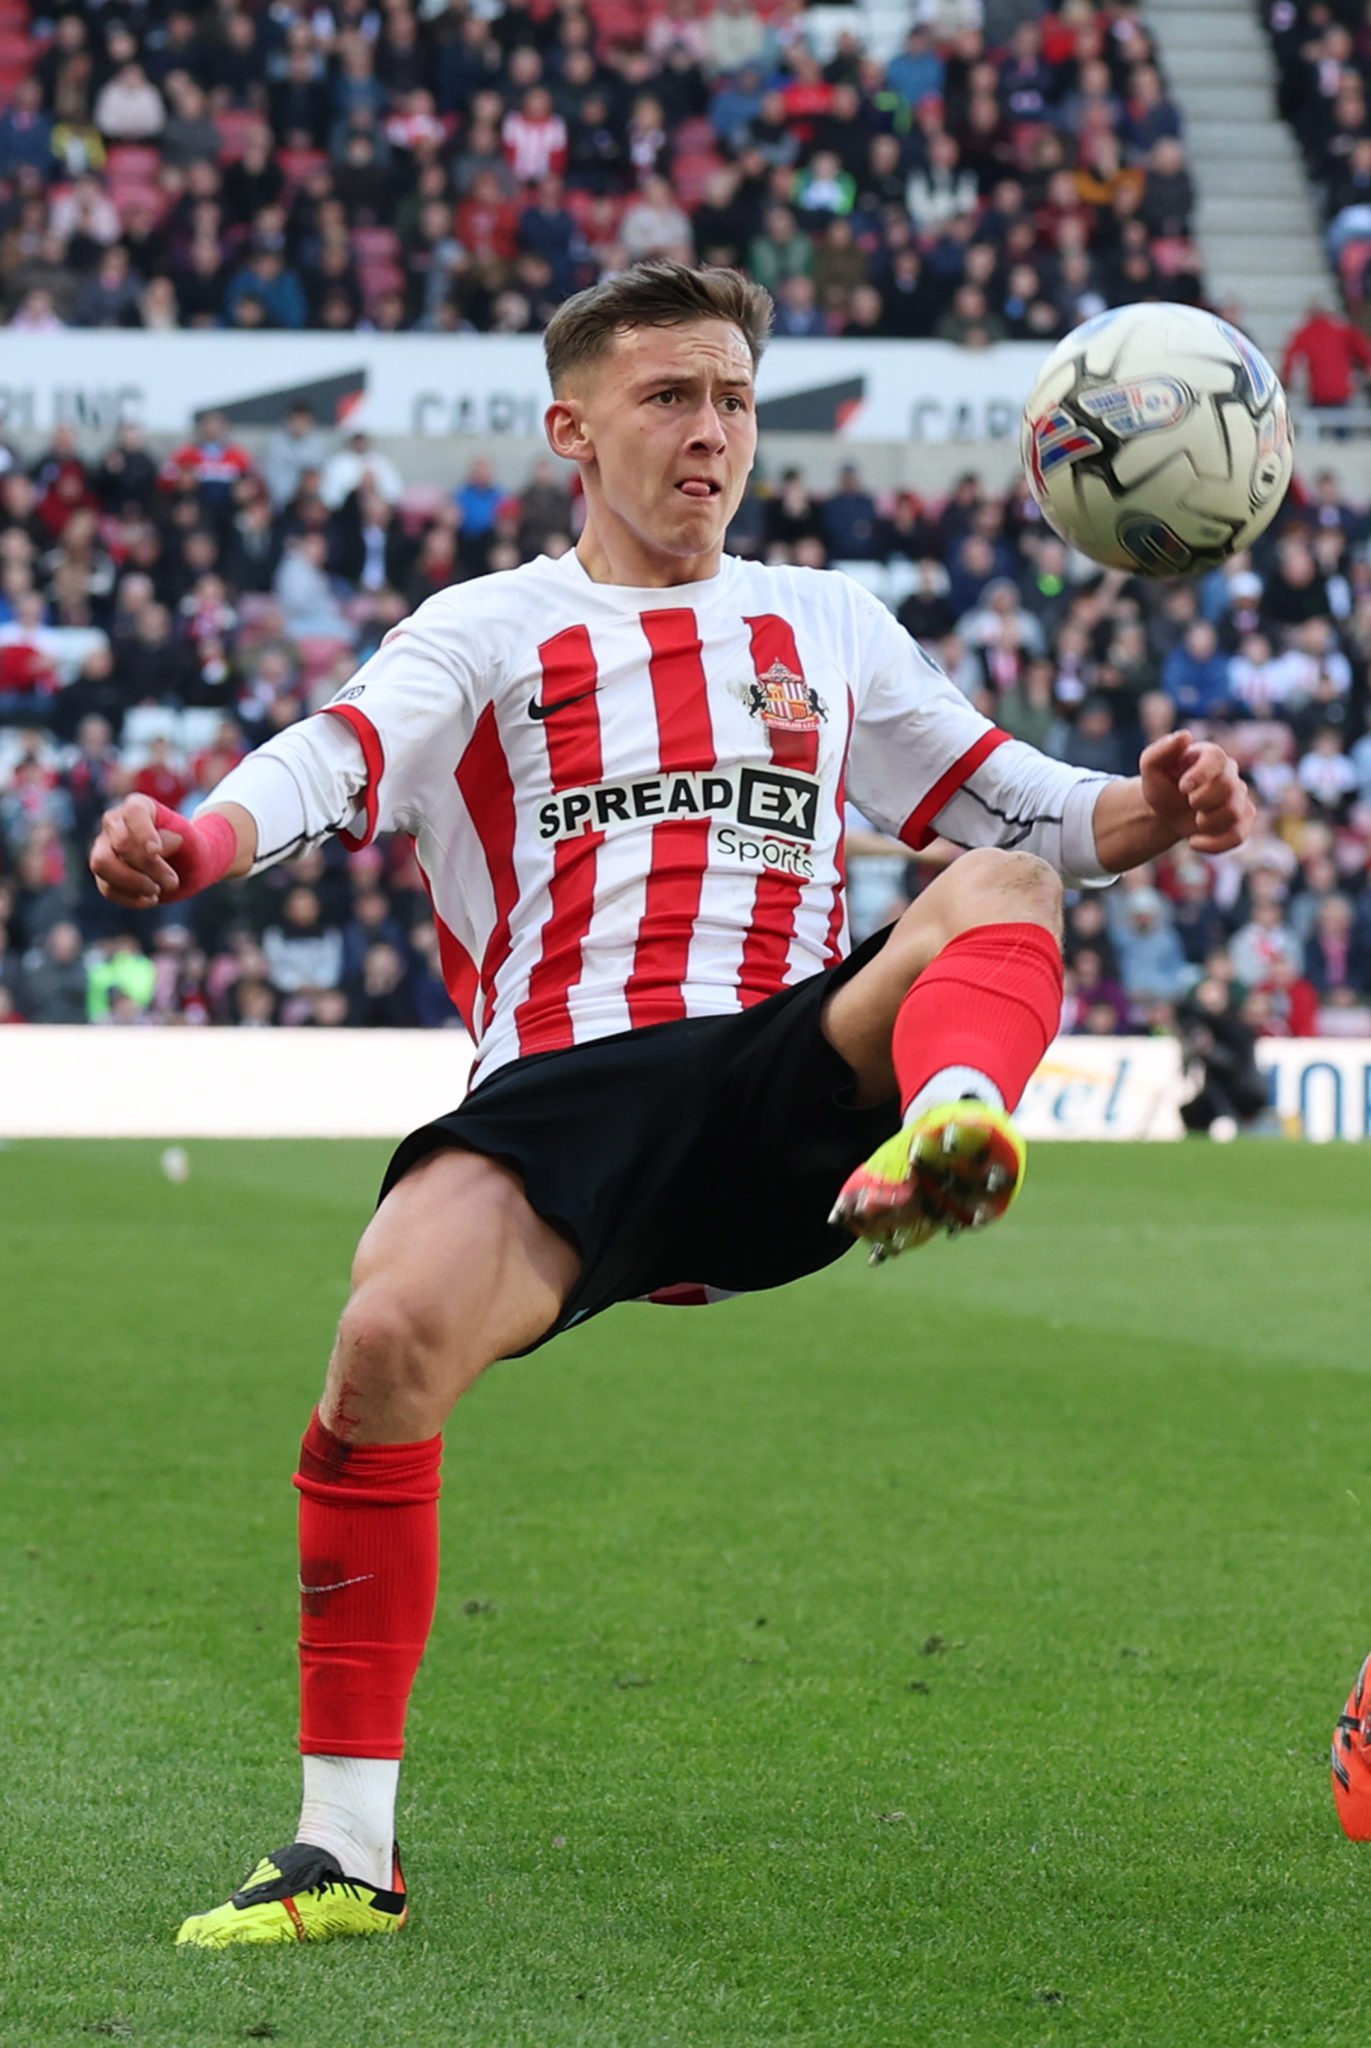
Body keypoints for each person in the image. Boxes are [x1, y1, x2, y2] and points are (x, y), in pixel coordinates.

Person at [90, 260, 1252, 1948]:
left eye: (732, 399)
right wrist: (190, 841)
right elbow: (334, 754)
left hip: (787, 1071)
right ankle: (347, 1855)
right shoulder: (493, 626)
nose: (710, 432)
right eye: (668, 398)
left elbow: (1032, 808)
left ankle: (954, 1128)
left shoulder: (828, 623)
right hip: (566, 1103)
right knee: (380, 1350)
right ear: (573, 426)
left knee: (998, 879)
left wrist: (1161, 802)